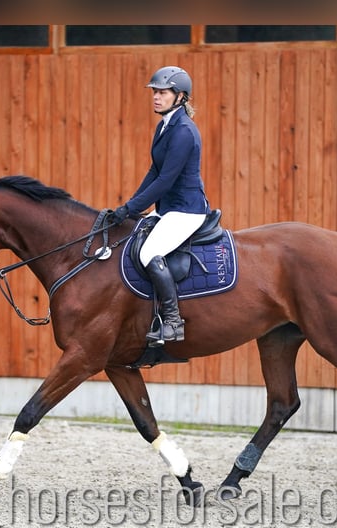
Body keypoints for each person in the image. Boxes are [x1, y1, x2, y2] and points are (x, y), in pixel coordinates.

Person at [110, 65, 212, 346]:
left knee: (149, 252)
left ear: (180, 97)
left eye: (163, 92)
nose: (156, 97)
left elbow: (166, 180)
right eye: (155, 92)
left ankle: (173, 321)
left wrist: (130, 208)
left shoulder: (183, 132)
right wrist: (128, 206)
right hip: (169, 208)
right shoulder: (165, 126)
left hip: (186, 210)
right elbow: (154, 172)